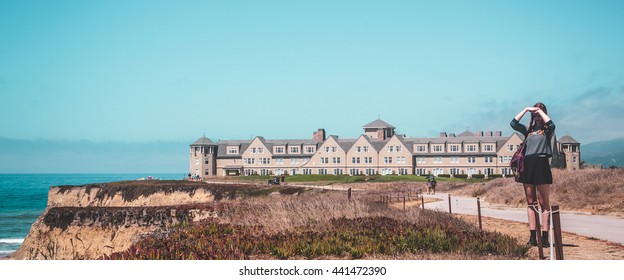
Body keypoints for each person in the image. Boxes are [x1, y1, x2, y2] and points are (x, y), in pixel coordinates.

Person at [510, 102, 556, 247]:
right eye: (534, 115)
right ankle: (532, 237)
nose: (537, 117)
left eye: (539, 114)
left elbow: (552, 124)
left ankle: (544, 237)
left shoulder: (548, 129)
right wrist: (526, 109)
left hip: (542, 165)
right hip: (528, 165)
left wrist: (540, 111)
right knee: (531, 203)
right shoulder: (527, 130)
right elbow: (513, 123)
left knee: (544, 203)